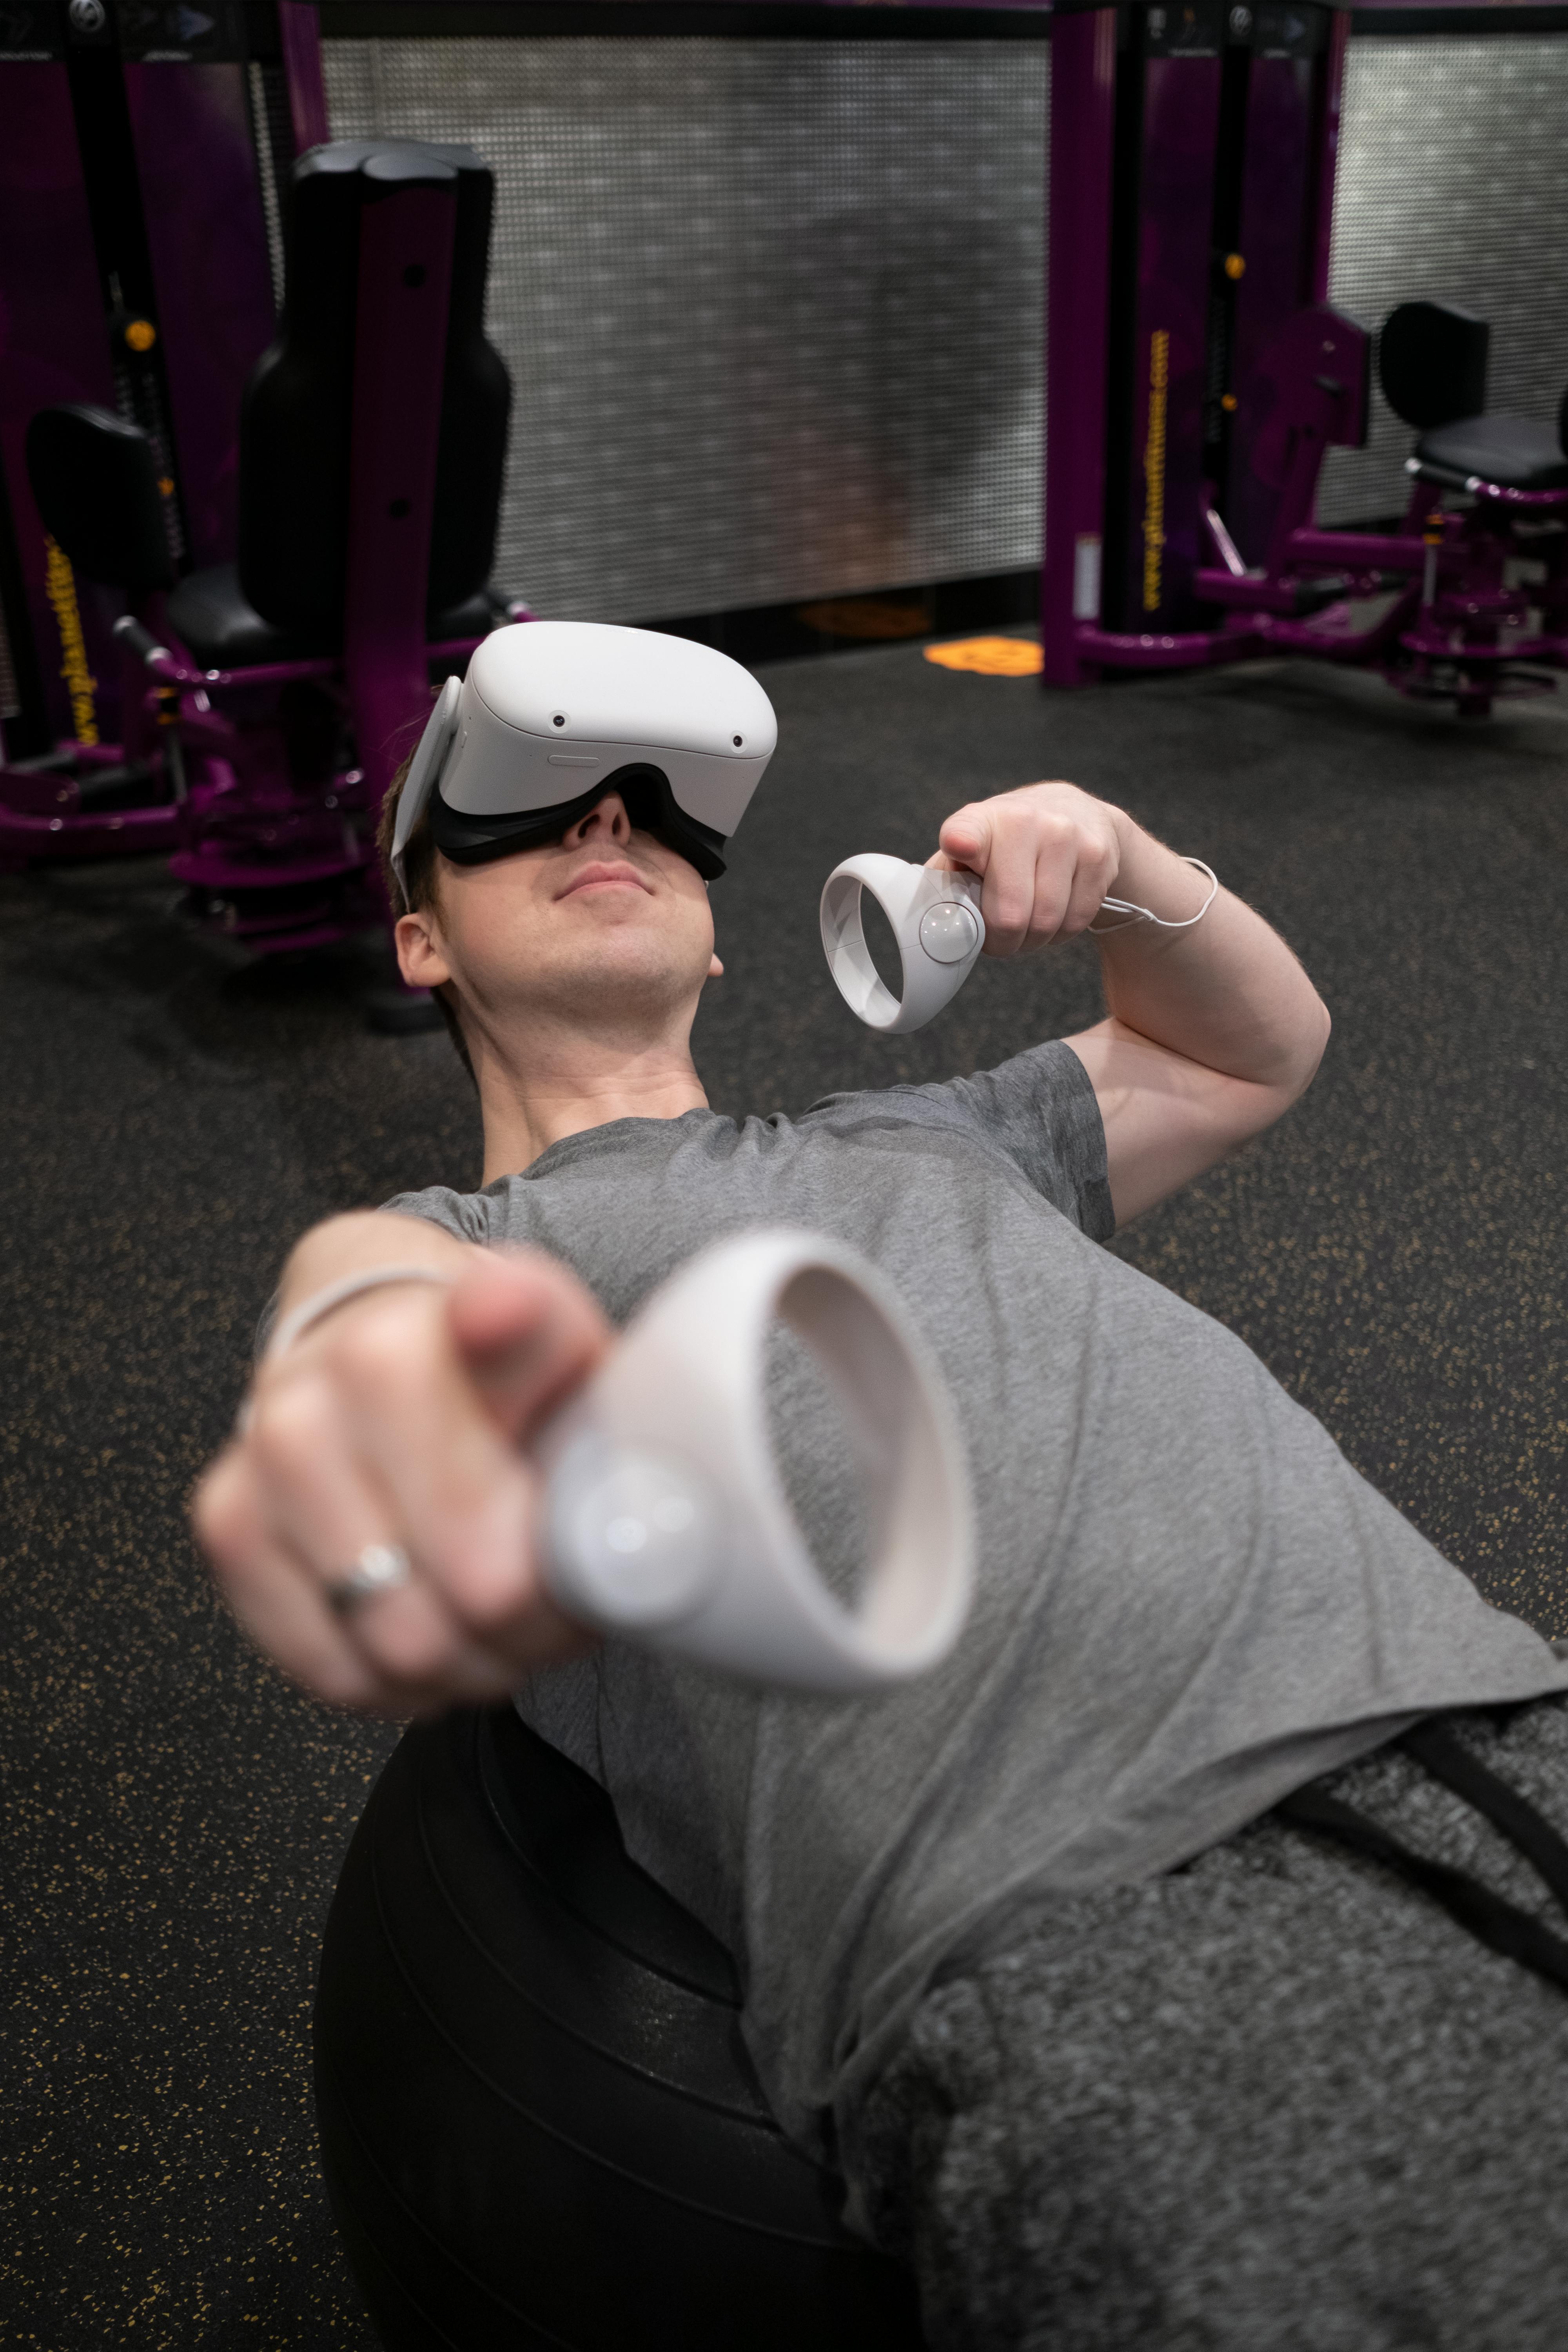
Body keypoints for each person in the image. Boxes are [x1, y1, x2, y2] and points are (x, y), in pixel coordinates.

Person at [194, 703, 1568, 2346]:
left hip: (1496, 1722)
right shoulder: (477, 1248)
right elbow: (366, 1296)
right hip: (1102, 1937)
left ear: (711, 951)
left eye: (651, 818)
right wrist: (339, 1353)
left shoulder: (933, 1128)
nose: (612, 824)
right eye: (528, 820)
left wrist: (1124, 863)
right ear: (420, 941)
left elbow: (1251, 1049)